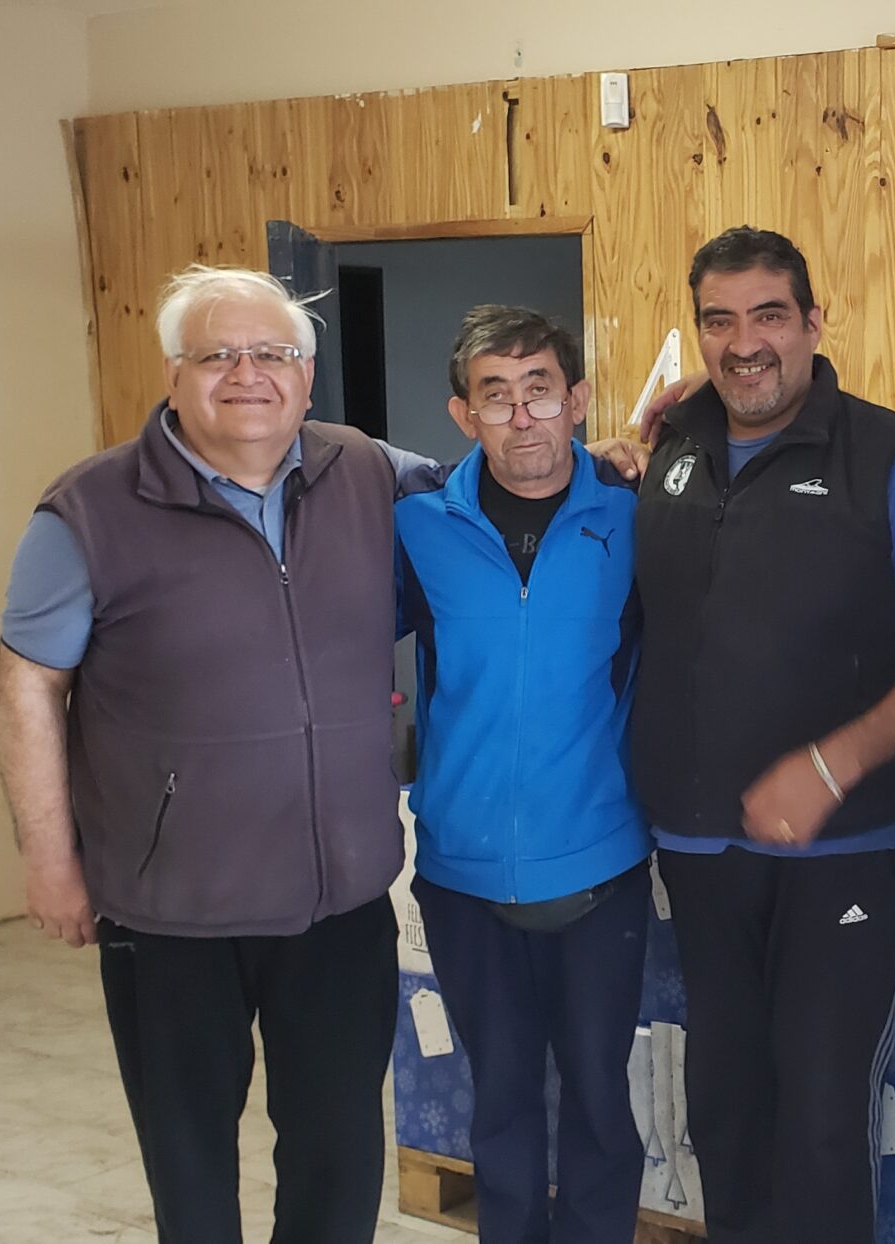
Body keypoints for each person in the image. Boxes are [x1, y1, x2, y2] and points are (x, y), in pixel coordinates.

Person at [0, 265, 432, 1243]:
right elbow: (27, 684)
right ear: (173, 373)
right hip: (172, 910)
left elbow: (499, 494)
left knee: (337, 1154)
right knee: (189, 1165)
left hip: (338, 899)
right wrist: (50, 858)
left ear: (306, 375)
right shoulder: (89, 511)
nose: (247, 374)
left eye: (272, 353)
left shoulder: (368, 472)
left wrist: (611, 454)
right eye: (217, 355)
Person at [627, 226, 895, 1244]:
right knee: (725, 1108)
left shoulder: (891, 457)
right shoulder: (672, 447)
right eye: (718, 320)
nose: (744, 342)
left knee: (818, 1120)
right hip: (700, 844)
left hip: (844, 851)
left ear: (813, 321)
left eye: (769, 315)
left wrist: (832, 765)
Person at [394, 306, 653, 1244]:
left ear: (576, 400)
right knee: (499, 1102)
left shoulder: (635, 516)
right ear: (464, 415)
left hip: (598, 866)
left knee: (597, 1100)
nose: (521, 416)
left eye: (539, 390)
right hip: (461, 873)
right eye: (495, 396)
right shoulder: (415, 526)